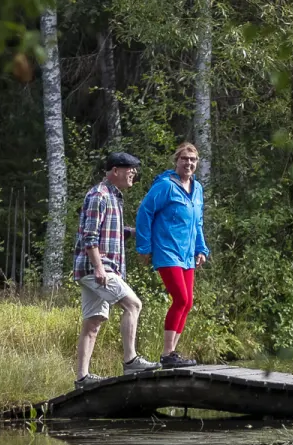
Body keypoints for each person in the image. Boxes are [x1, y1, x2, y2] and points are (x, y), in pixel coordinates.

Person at [72, 152, 160, 388]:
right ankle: (131, 360)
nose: (134, 173)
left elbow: (114, 232)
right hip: (97, 268)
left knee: (94, 321)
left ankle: (82, 378)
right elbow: (89, 236)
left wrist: (144, 233)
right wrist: (99, 268)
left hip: (100, 269)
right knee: (134, 304)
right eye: (129, 168)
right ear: (115, 171)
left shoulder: (114, 197)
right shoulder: (98, 195)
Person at [135, 142, 210, 369]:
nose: (189, 163)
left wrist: (201, 249)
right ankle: (167, 354)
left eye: (193, 160)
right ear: (176, 161)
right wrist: (144, 247)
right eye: (184, 159)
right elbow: (144, 212)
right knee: (181, 299)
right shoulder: (165, 186)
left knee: (188, 303)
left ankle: (171, 354)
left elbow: (197, 222)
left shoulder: (197, 189)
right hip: (167, 250)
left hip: (187, 254)